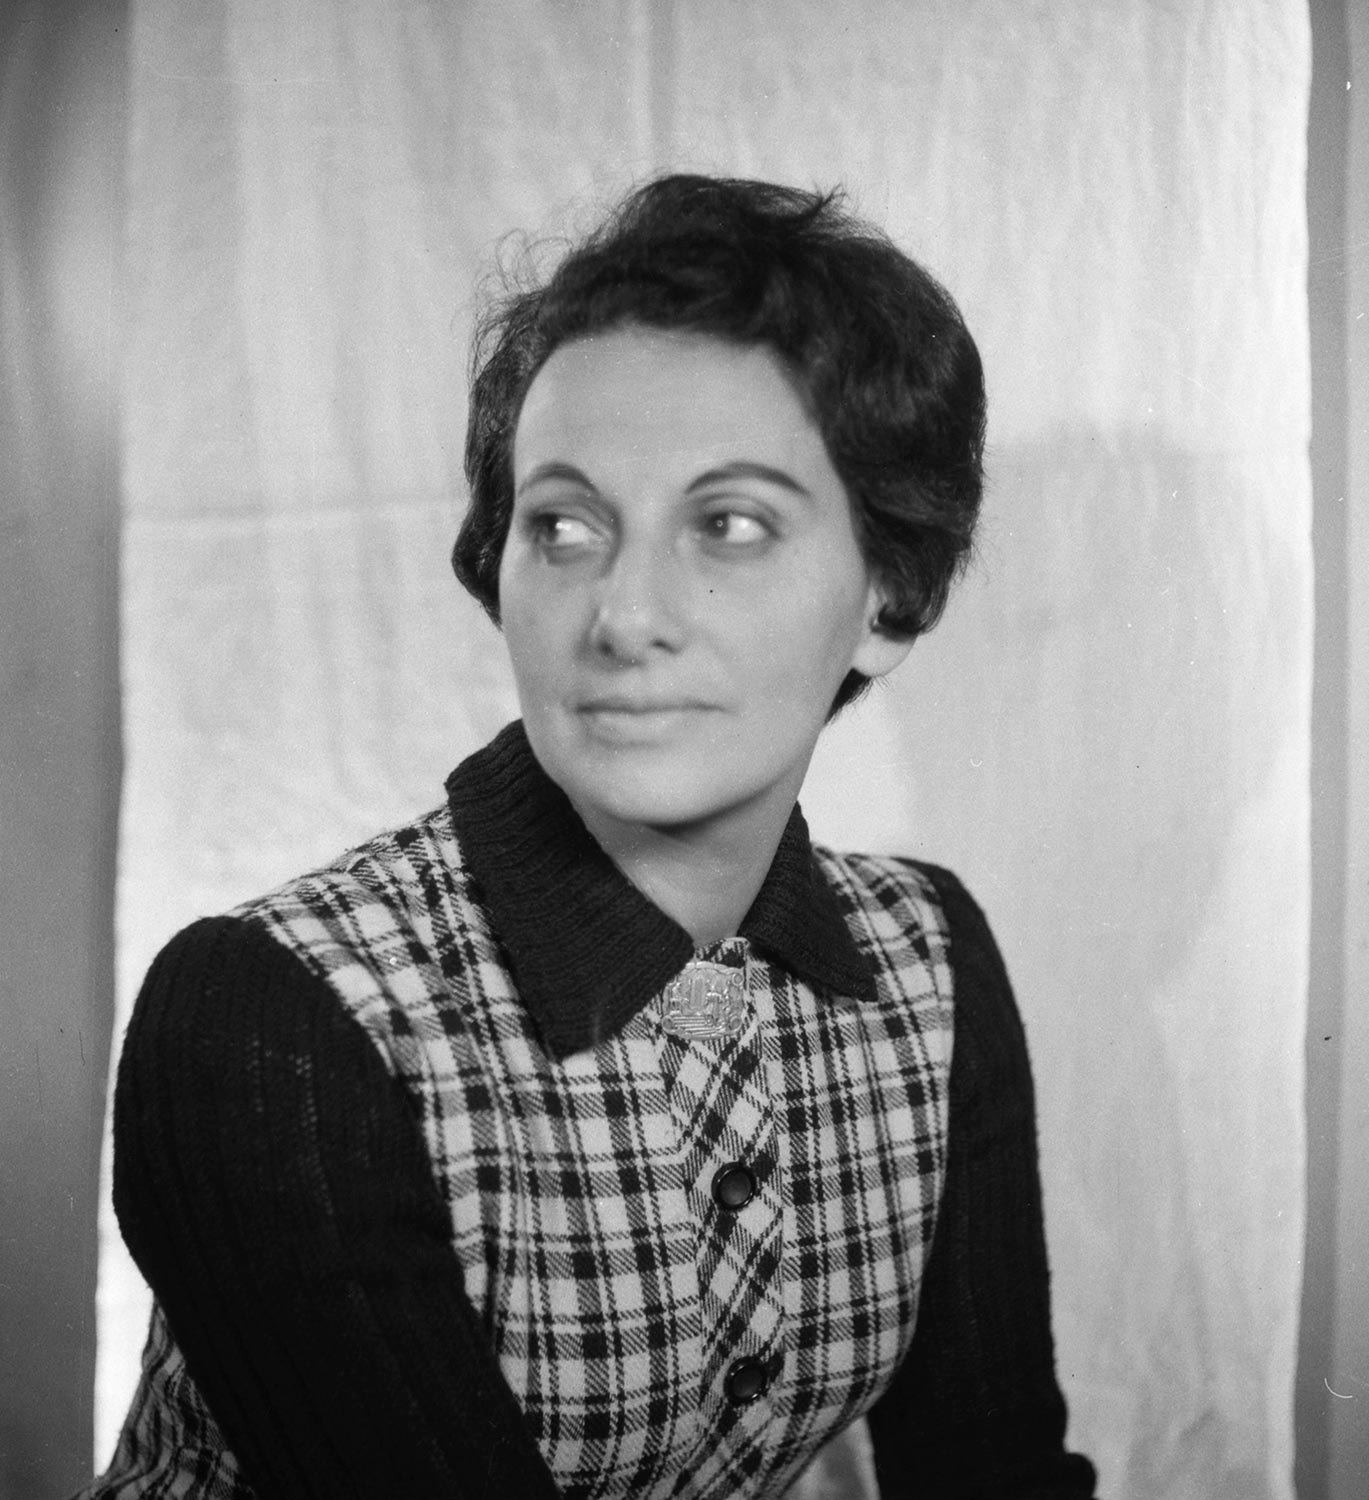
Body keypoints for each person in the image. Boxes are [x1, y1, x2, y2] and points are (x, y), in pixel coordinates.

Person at [85, 175, 1097, 1499]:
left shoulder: (928, 959)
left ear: (890, 597)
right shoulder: (275, 1015)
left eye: (729, 525)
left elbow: (992, 1475)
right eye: (563, 525)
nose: (623, 615)